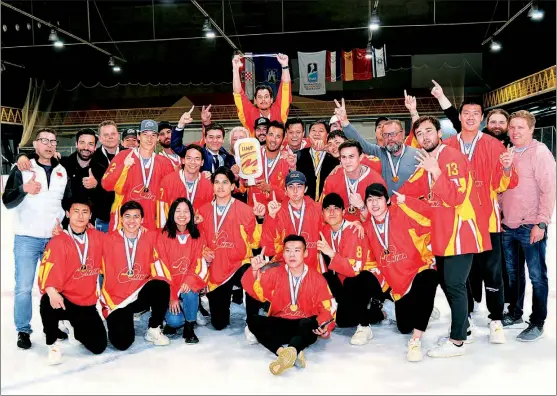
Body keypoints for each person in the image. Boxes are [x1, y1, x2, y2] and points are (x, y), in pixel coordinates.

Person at [399, 116, 489, 358]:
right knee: (450, 285)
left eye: (429, 131)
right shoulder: (430, 159)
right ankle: (464, 330)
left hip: (460, 233)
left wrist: (436, 171)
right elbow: (411, 189)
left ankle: (458, 340)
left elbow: (456, 198)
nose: (425, 136)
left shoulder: (450, 157)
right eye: (420, 133)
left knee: (455, 285)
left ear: (439, 133)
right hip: (442, 233)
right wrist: (383, 200)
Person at [442, 99, 518, 344]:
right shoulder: (447, 146)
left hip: (487, 222)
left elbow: (502, 184)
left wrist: (506, 169)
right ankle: (466, 317)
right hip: (459, 222)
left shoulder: (495, 145)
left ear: (482, 118)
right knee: (463, 274)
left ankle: (496, 319)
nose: (471, 117)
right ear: (460, 117)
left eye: (476, 113)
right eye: (466, 113)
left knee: (492, 272)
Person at [2, 128, 72, 349]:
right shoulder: (22, 168)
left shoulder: (62, 170)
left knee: (54, 286)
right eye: (44, 140)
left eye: (53, 141)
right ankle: (23, 330)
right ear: (35, 143)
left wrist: (65, 224)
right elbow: (7, 200)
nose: (49, 145)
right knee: (23, 287)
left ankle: (53, 325)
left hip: (53, 240)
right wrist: (24, 188)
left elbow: (67, 202)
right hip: (26, 238)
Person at [363, 184, 438, 362]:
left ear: (387, 200)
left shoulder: (402, 212)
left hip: (418, 270)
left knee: (430, 278)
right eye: (370, 200)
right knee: (404, 326)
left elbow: (430, 218)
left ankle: (415, 341)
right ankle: (417, 308)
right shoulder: (366, 227)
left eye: (378, 199)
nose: (374, 204)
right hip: (398, 285)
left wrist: (409, 202)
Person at [242, 235, 336, 375]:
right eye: (288, 250)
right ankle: (286, 352)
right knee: (252, 321)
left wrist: (324, 327)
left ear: (305, 253)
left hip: (303, 324)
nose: (292, 254)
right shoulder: (274, 273)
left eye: (297, 250)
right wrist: (255, 270)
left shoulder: (317, 278)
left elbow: (328, 308)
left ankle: (291, 349)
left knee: (310, 324)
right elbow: (256, 292)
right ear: (283, 253)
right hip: (282, 323)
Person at [501, 110, 556, 341]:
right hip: (508, 225)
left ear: (531, 129)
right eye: (512, 127)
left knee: (536, 276)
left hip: (531, 225)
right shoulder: (508, 152)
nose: (515, 131)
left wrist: (541, 223)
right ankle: (515, 313)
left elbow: (549, 189)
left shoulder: (540, 152)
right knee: (514, 275)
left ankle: (537, 322)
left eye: (520, 127)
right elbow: (502, 188)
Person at [38, 197, 107, 364]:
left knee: (99, 347)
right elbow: (45, 271)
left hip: (87, 304)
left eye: (85, 212)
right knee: (48, 300)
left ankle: (74, 328)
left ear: (90, 216)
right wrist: (52, 291)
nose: (80, 216)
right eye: (76, 211)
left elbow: (119, 244)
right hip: (65, 300)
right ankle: (52, 343)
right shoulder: (58, 240)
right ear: (68, 214)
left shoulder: (98, 237)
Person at [317, 193, 390, 346]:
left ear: (343, 212)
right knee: (343, 321)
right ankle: (380, 312)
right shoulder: (325, 231)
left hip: (371, 278)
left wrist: (330, 253)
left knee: (353, 281)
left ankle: (365, 326)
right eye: (327, 209)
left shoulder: (353, 230)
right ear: (322, 213)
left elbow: (354, 269)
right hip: (347, 279)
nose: (331, 212)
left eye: (336, 208)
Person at [196, 167, 264, 330]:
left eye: (225, 182)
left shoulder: (245, 210)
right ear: (212, 185)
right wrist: (202, 250)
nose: (221, 186)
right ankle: (211, 302)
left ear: (233, 186)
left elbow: (255, 242)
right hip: (216, 269)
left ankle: (252, 322)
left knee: (252, 274)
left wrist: (260, 219)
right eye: (217, 182)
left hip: (238, 264)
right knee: (219, 324)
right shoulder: (203, 212)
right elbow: (197, 241)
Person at [100, 200, 172, 350]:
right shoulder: (107, 240)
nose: (131, 221)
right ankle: (119, 319)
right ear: (120, 219)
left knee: (161, 285)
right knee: (122, 343)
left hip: (139, 293)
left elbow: (176, 234)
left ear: (142, 220)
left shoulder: (151, 237)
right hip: (117, 299)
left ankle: (154, 327)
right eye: (127, 216)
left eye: (136, 216)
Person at [334, 99, 419, 196]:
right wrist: (344, 121)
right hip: (384, 207)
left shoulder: (417, 155)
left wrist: (413, 112)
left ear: (403, 133)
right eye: (386, 135)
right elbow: (360, 142)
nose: (389, 138)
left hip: (410, 207)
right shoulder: (378, 152)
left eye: (393, 134)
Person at [102, 119, 174, 231]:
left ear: (158, 138)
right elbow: (106, 184)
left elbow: (173, 193)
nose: (149, 139)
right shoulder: (123, 156)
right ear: (139, 137)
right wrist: (123, 167)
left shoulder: (165, 163)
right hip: (125, 223)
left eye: (153, 135)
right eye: (145, 134)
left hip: (152, 224)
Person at [16, 128, 99, 221]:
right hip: (64, 224)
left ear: (95, 147)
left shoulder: (101, 168)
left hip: (90, 223)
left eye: (90, 144)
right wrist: (22, 156)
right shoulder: (62, 164)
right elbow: (41, 155)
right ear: (76, 144)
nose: (86, 147)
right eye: (82, 142)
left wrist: (96, 185)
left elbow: (107, 197)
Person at [157, 198, 208, 344]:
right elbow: (161, 267)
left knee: (190, 290)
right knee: (174, 321)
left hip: (187, 285)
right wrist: (172, 296)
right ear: (172, 213)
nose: (182, 214)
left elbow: (199, 263)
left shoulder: (197, 235)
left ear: (191, 215)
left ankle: (189, 326)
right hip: (171, 286)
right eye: (178, 211)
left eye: (186, 211)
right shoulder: (163, 236)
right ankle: (177, 317)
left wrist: (189, 280)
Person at [261, 171, 324, 273]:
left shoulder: (317, 209)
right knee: (262, 274)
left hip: (312, 263)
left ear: (305, 189)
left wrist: (354, 223)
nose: (295, 190)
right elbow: (268, 249)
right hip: (285, 263)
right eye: (291, 186)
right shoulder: (277, 211)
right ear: (285, 190)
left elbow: (332, 229)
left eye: (299, 186)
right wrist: (271, 217)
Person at [321, 140, 386, 222]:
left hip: (368, 231)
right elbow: (324, 214)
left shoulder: (376, 181)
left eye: (351, 156)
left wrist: (362, 207)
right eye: (344, 157)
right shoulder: (331, 180)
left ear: (361, 157)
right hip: (340, 228)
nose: (347, 161)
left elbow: (382, 219)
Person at [232, 53, 292, 137]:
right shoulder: (249, 114)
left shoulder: (279, 111)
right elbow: (238, 94)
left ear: (271, 100)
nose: (263, 99)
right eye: (259, 97)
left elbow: (285, 88)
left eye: (266, 97)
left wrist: (285, 65)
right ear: (255, 101)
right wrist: (235, 68)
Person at [158, 144, 214, 227]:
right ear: (183, 160)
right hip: (173, 232)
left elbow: (210, 212)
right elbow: (161, 212)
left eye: (197, 159)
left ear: (202, 162)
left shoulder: (208, 185)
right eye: (189, 158)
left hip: (198, 233)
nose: (193, 162)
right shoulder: (167, 181)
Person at [171, 107, 235, 174]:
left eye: (218, 137)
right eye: (211, 137)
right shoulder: (198, 154)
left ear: (223, 140)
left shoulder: (229, 158)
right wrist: (181, 124)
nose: (215, 140)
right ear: (205, 139)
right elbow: (176, 146)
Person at [247, 121, 296, 207]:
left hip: (277, 213)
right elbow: (243, 183)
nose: (273, 139)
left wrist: (270, 188)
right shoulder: (253, 155)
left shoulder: (287, 161)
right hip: (254, 210)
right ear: (266, 136)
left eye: (278, 136)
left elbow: (290, 194)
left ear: (283, 139)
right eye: (271, 134)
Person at [90, 120, 123, 233]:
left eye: (113, 134)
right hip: (103, 218)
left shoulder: (129, 154)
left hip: (126, 217)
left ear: (118, 135)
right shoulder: (92, 158)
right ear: (100, 138)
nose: (110, 137)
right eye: (106, 135)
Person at [296, 120, 339, 201]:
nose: (317, 134)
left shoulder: (334, 157)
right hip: (305, 203)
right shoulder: (300, 155)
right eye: (313, 130)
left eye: (321, 131)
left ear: (327, 135)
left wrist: (327, 149)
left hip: (328, 203)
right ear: (309, 135)